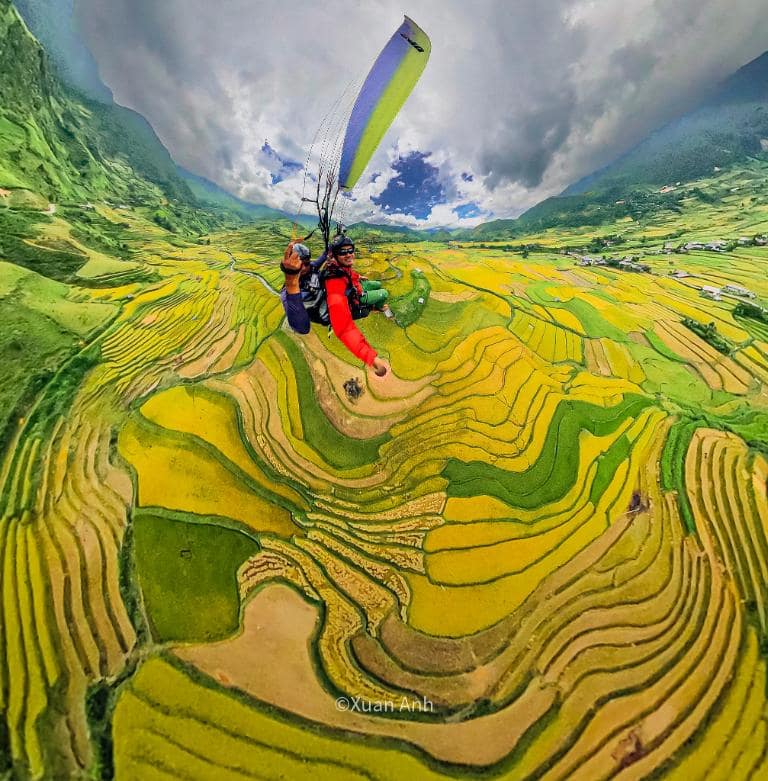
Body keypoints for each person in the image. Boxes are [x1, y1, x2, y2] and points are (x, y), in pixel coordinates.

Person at [279, 235, 390, 376]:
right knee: (377, 298)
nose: (306, 267)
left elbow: (328, 253)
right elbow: (302, 327)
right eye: (302, 264)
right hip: (338, 306)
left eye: (307, 262)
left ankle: (372, 304)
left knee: (376, 285)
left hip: (347, 292)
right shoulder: (288, 292)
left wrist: (338, 239)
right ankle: (375, 307)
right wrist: (291, 278)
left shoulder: (310, 269)